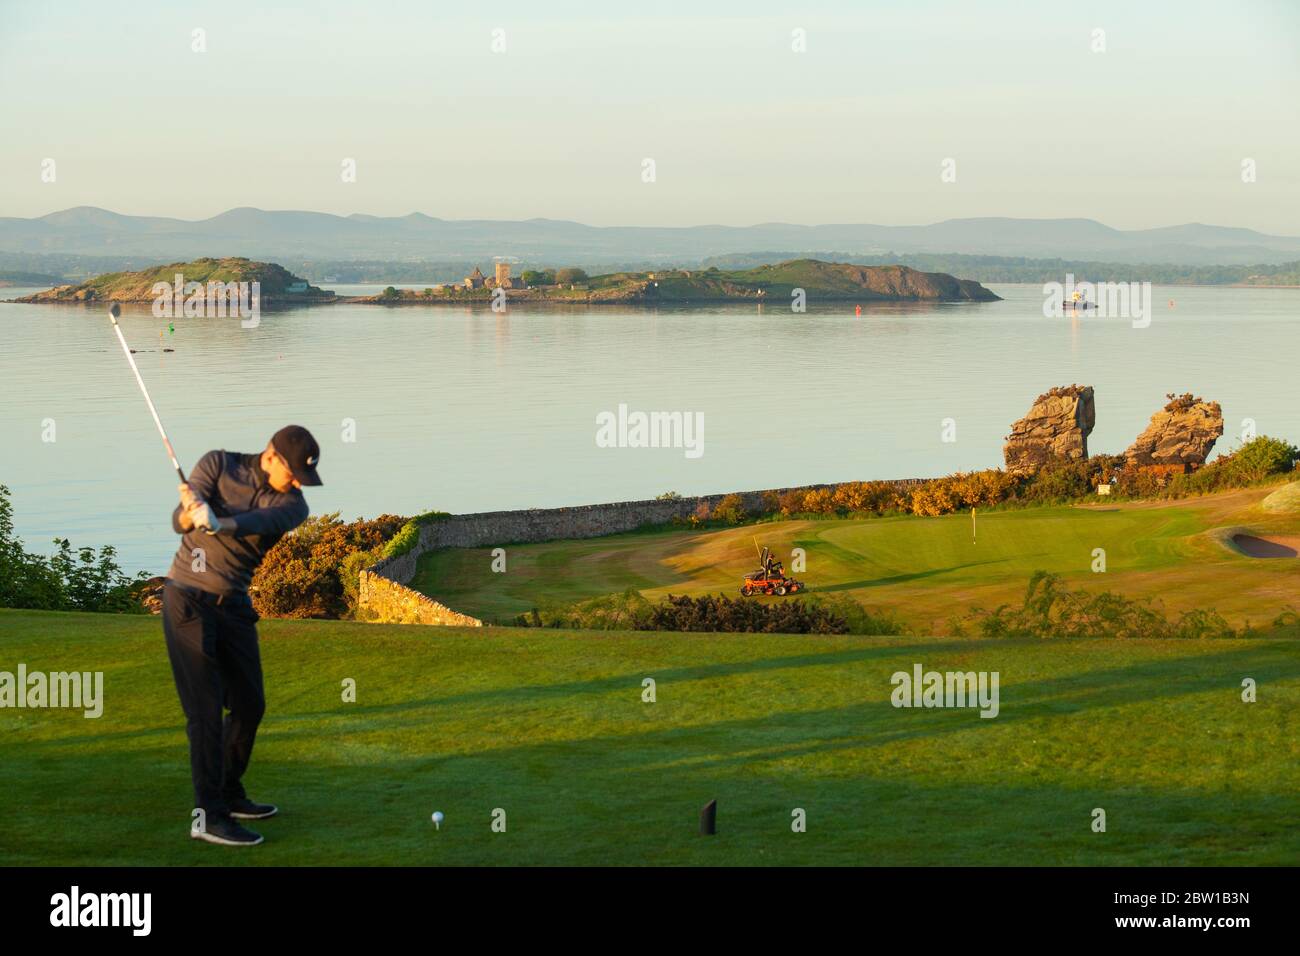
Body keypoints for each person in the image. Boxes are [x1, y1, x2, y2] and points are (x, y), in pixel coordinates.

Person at [163, 425, 322, 846]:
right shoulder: (218, 463)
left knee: (250, 704)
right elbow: (179, 523)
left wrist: (216, 521)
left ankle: (229, 792)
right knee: (205, 713)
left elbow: (257, 520)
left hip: (232, 604)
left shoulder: (292, 506)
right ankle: (208, 816)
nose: (296, 485)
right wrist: (189, 511)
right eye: (292, 474)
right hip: (187, 601)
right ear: (270, 456)